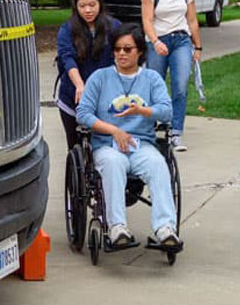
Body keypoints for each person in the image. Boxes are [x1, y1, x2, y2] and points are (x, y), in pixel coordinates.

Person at [76, 23, 180, 247]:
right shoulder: (100, 78)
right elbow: (83, 113)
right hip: (107, 145)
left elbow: (167, 110)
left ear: (140, 51)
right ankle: (117, 227)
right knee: (113, 164)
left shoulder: (151, 79)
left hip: (141, 144)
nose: (121, 54)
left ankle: (165, 228)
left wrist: (142, 111)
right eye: (117, 49)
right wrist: (115, 130)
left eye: (127, 49)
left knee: (158, 165)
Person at [141, 0, 202, 152]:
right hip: (158, 40)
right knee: (154, 85)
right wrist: (155, 41)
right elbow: (147, 21)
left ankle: (176, 132)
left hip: (181, 40)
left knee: (180, 85)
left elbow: (192, 20)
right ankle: (150, 127)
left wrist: (198, 47)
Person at [56, 0, 119, 149]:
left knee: (104, 145)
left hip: (106, 96)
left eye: (92, 5)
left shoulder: (113, 27)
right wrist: (79, 85)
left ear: (100, 4)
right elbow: (67, 58)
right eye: (82, 6)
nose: (88, 10)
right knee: (75, 146)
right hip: (73, 97)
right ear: (76, 7)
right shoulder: (67, 29)